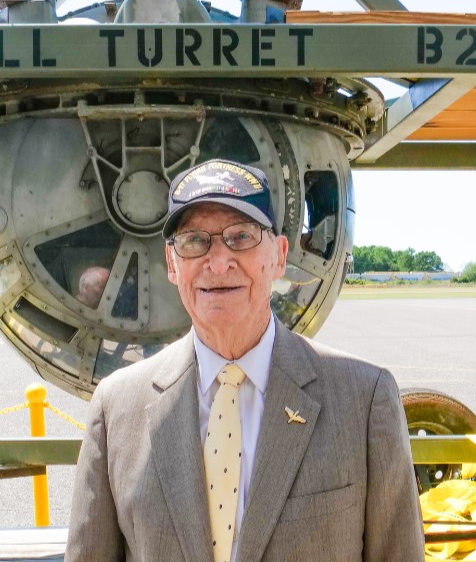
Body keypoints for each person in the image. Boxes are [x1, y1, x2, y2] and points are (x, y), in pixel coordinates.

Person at [67, 159, 423, 561]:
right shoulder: (117, 408)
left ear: (279, 256)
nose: (218, 262)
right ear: (172, 264)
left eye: (241, 237)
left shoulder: (364, 400)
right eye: (194, 241)